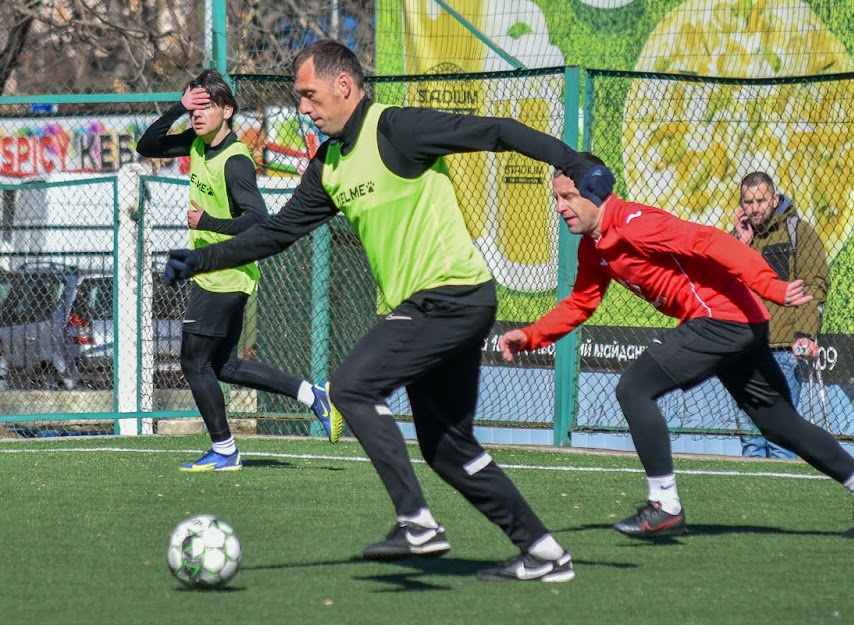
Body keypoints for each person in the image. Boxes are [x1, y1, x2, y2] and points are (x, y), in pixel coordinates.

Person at [160, 40, 614, 581]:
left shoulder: (396, 129)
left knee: (350, 389)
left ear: (343, 85)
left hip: (451, 296)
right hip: (436, 305)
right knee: (447, 449)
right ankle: (543, 553)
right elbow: (277, 232)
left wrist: (569, 160)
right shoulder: (328, 164)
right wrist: (200, 258)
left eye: (309, 94)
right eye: (299, 98)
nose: (303, 108)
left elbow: (494, 130)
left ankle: (416, 523)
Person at [498, 154, 854, 540]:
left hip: (721, 318)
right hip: (739, 321)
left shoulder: (634, 222)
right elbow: (581, 302)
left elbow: (709, 240)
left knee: (633, 388)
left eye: (567, 196)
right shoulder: (595, 247)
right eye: (556, 198)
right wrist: (530, 335)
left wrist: (771, 286)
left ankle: (664, 506)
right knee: (779, 424)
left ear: (596, 190)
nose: (560, 207)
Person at [136, 69, 342, 472]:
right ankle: (313, 395)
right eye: (193, 105)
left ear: (227, 110)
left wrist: (209, 223)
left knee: (194, 364)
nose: (197, 114)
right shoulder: (198, 144)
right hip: (217, 275)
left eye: (206, 105)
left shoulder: (235, 161)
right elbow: (148, 145)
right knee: (224, 366)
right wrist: (180, 106)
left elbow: (257, 220)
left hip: (223, 276)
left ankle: (225, 449)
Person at [731, 172, 829, 459]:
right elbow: (723, 281)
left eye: (761, 200)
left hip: (782, 350)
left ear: (775, 199)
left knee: (781, 443)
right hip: (744, 350)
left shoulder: (799, 232)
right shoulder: (739, 237)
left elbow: (814, 286)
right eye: (748, 202)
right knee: (751, 441)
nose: (755, 208)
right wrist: (741, 243)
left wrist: (805, 335)